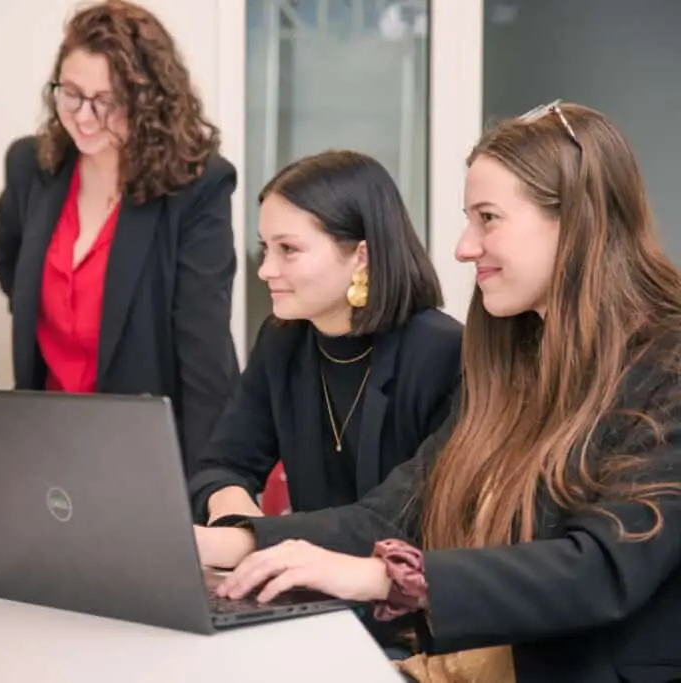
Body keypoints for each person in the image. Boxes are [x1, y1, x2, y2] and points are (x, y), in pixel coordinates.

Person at [194, 102, 681, 683]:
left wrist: (384, 578)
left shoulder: (666, 363)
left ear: (577, 220)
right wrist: (234, 542)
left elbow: (601, 568)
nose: (463, 246)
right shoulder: (514, 356)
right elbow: (399, 511)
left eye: (488, 218)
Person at [0, 0, 239, 477]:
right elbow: (7, 253)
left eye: (108, 101)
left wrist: (208, 487)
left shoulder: (198, 186)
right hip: (51, 438)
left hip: (154, 447)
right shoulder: (31, 166)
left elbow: (203, 350)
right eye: (72, 94)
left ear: (149, 102)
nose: (85, 116)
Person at [188, 150, 461, 526]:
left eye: (289, 250)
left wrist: (257, 540)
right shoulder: (282, 341)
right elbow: (221, 466)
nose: (266, 269)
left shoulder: (442, 352)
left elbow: (401, 516)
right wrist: (232, 511)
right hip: (306, 575)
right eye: (265, 248)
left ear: (361, 255)